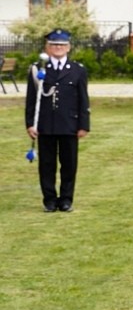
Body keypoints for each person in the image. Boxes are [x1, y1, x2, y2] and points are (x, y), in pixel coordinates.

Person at [25, 28, 90, 212]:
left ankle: (66, 199)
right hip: (45, 125)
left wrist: (84, 125)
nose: (58, 48)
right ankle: (50, 200)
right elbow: (31, 100)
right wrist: (30, 123)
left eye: (62, 45)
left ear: (68, 47)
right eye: (54, 45)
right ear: (47, 47)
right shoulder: (39, 69)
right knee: (47, 164)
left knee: (69, 164)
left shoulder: (77, 70)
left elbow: (83, 99)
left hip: (70, 124)